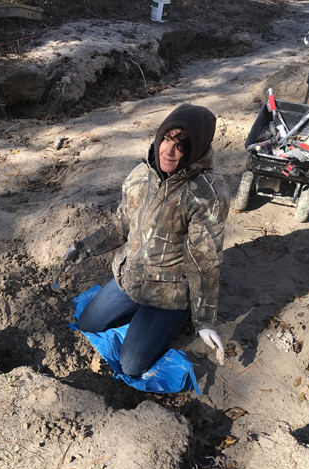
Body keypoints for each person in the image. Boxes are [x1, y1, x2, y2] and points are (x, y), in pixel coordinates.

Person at [63, 103, 231, 377]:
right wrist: (82, 249)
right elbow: (121, 225)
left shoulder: (207, 194)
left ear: (195, 149)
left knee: (131, 366)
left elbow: (204, 260)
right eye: (166, 139)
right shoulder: (141, 175)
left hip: (170, 294)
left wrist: (205, 321)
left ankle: (180, 317)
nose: (168, 151)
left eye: (181, 145)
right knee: (88, 325)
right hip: (132, 279)